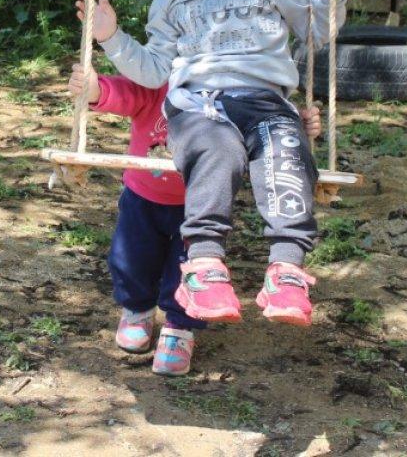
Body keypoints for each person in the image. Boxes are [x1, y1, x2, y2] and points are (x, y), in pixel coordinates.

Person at [79, 0, 348, 327]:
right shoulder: (174, 0)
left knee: (286, 151)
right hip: (199, 105)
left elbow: (317, 33)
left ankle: (286, 268)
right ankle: (204, 264)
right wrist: (111, 38)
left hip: (265, 102)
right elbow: (154, 71)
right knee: (216, 151)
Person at [68, 65, 323, 374]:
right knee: (131, 261)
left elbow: (259, 128)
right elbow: (123, 94)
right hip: (143, 198)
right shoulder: (158, 82)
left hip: (198, 207)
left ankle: (179, 329)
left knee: (190, 270)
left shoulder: (225, 96)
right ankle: (137, 310)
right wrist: (94, 89)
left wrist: (297, 123)